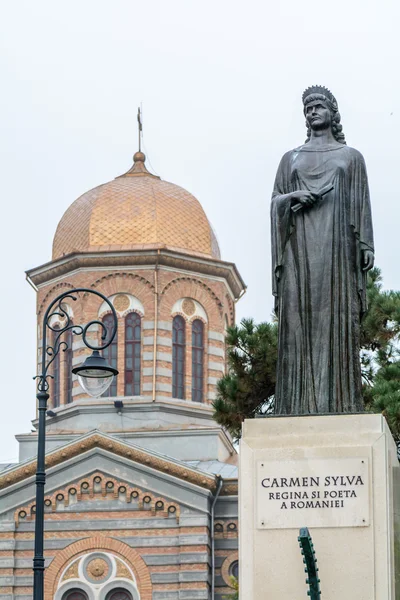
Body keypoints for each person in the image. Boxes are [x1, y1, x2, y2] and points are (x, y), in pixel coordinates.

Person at [271, 86, 374, 414]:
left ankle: (340, 403)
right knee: (298, 316)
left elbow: (362, 204)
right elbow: (275, 200)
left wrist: (366, 245)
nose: (312, 112)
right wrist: (292, 198)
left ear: (332, 113)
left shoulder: (351, 157)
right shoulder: (291, 158)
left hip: (337, 251)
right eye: (307, 109)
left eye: (318, 107)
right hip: (299, 249)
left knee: (335, 316)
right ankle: (298, 405)